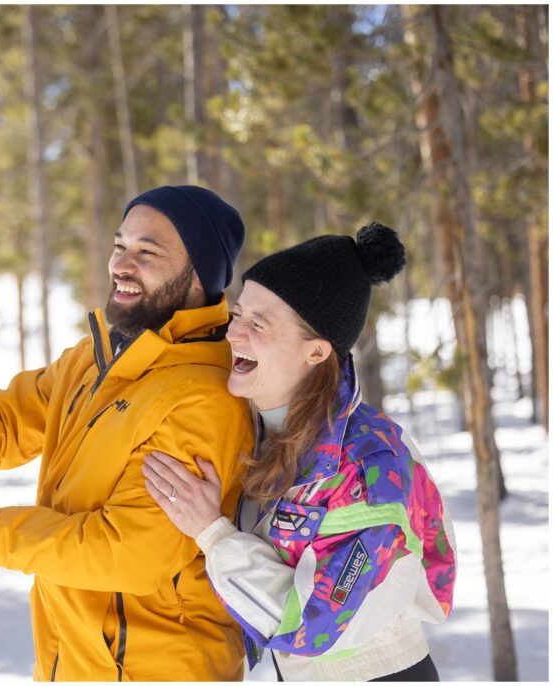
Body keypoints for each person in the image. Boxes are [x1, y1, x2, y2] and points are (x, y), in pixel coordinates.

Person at [0, 186, 255, 681]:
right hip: (72, 664)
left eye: (148, 252)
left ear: (200, 274)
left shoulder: (203, 398)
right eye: (120, 246)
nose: (123, 264)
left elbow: (126, 553)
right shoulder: (94, 359)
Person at [141, 223, 456, 681]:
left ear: (315, 352)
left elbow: (310, 623)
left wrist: (212, 534)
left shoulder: (368, 467)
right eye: (238, 315)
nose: (235, 335)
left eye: (258, 324)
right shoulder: (255, 423)